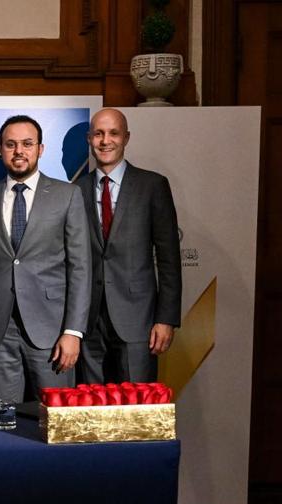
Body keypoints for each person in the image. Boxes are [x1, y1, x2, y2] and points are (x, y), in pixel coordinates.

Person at [0, 115, 91, 403]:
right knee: (1, 420)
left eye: (27, 144)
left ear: (40, 149)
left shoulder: (67, 195)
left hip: (53, 332)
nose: (19, 151)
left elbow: (81, 268)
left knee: (56, 419)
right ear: (1, 150)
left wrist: (73, 331)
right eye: (11, 144)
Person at [75, 107, 182, 382]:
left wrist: (166, 319)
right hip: (89, 324)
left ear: (126, 138)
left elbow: (169, 259)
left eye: (113, 133)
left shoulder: (152, 186)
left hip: (139, 320)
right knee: (91, 406)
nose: (105, 141)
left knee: (136, 404)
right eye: (98, 134)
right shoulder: (76, 190)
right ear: (89, 139)